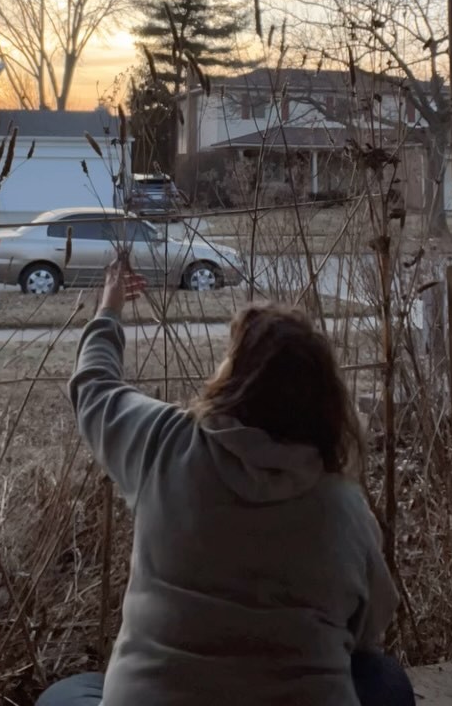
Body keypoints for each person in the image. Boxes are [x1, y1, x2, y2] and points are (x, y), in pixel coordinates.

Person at [36, 259, 415, 706]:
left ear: (232, 380)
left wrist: (109, 309)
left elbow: (94, 387)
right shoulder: (344, 507)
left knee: (63, 695)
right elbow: (369, 628)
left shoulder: (164, 442)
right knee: (383, 677)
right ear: (325, 402)